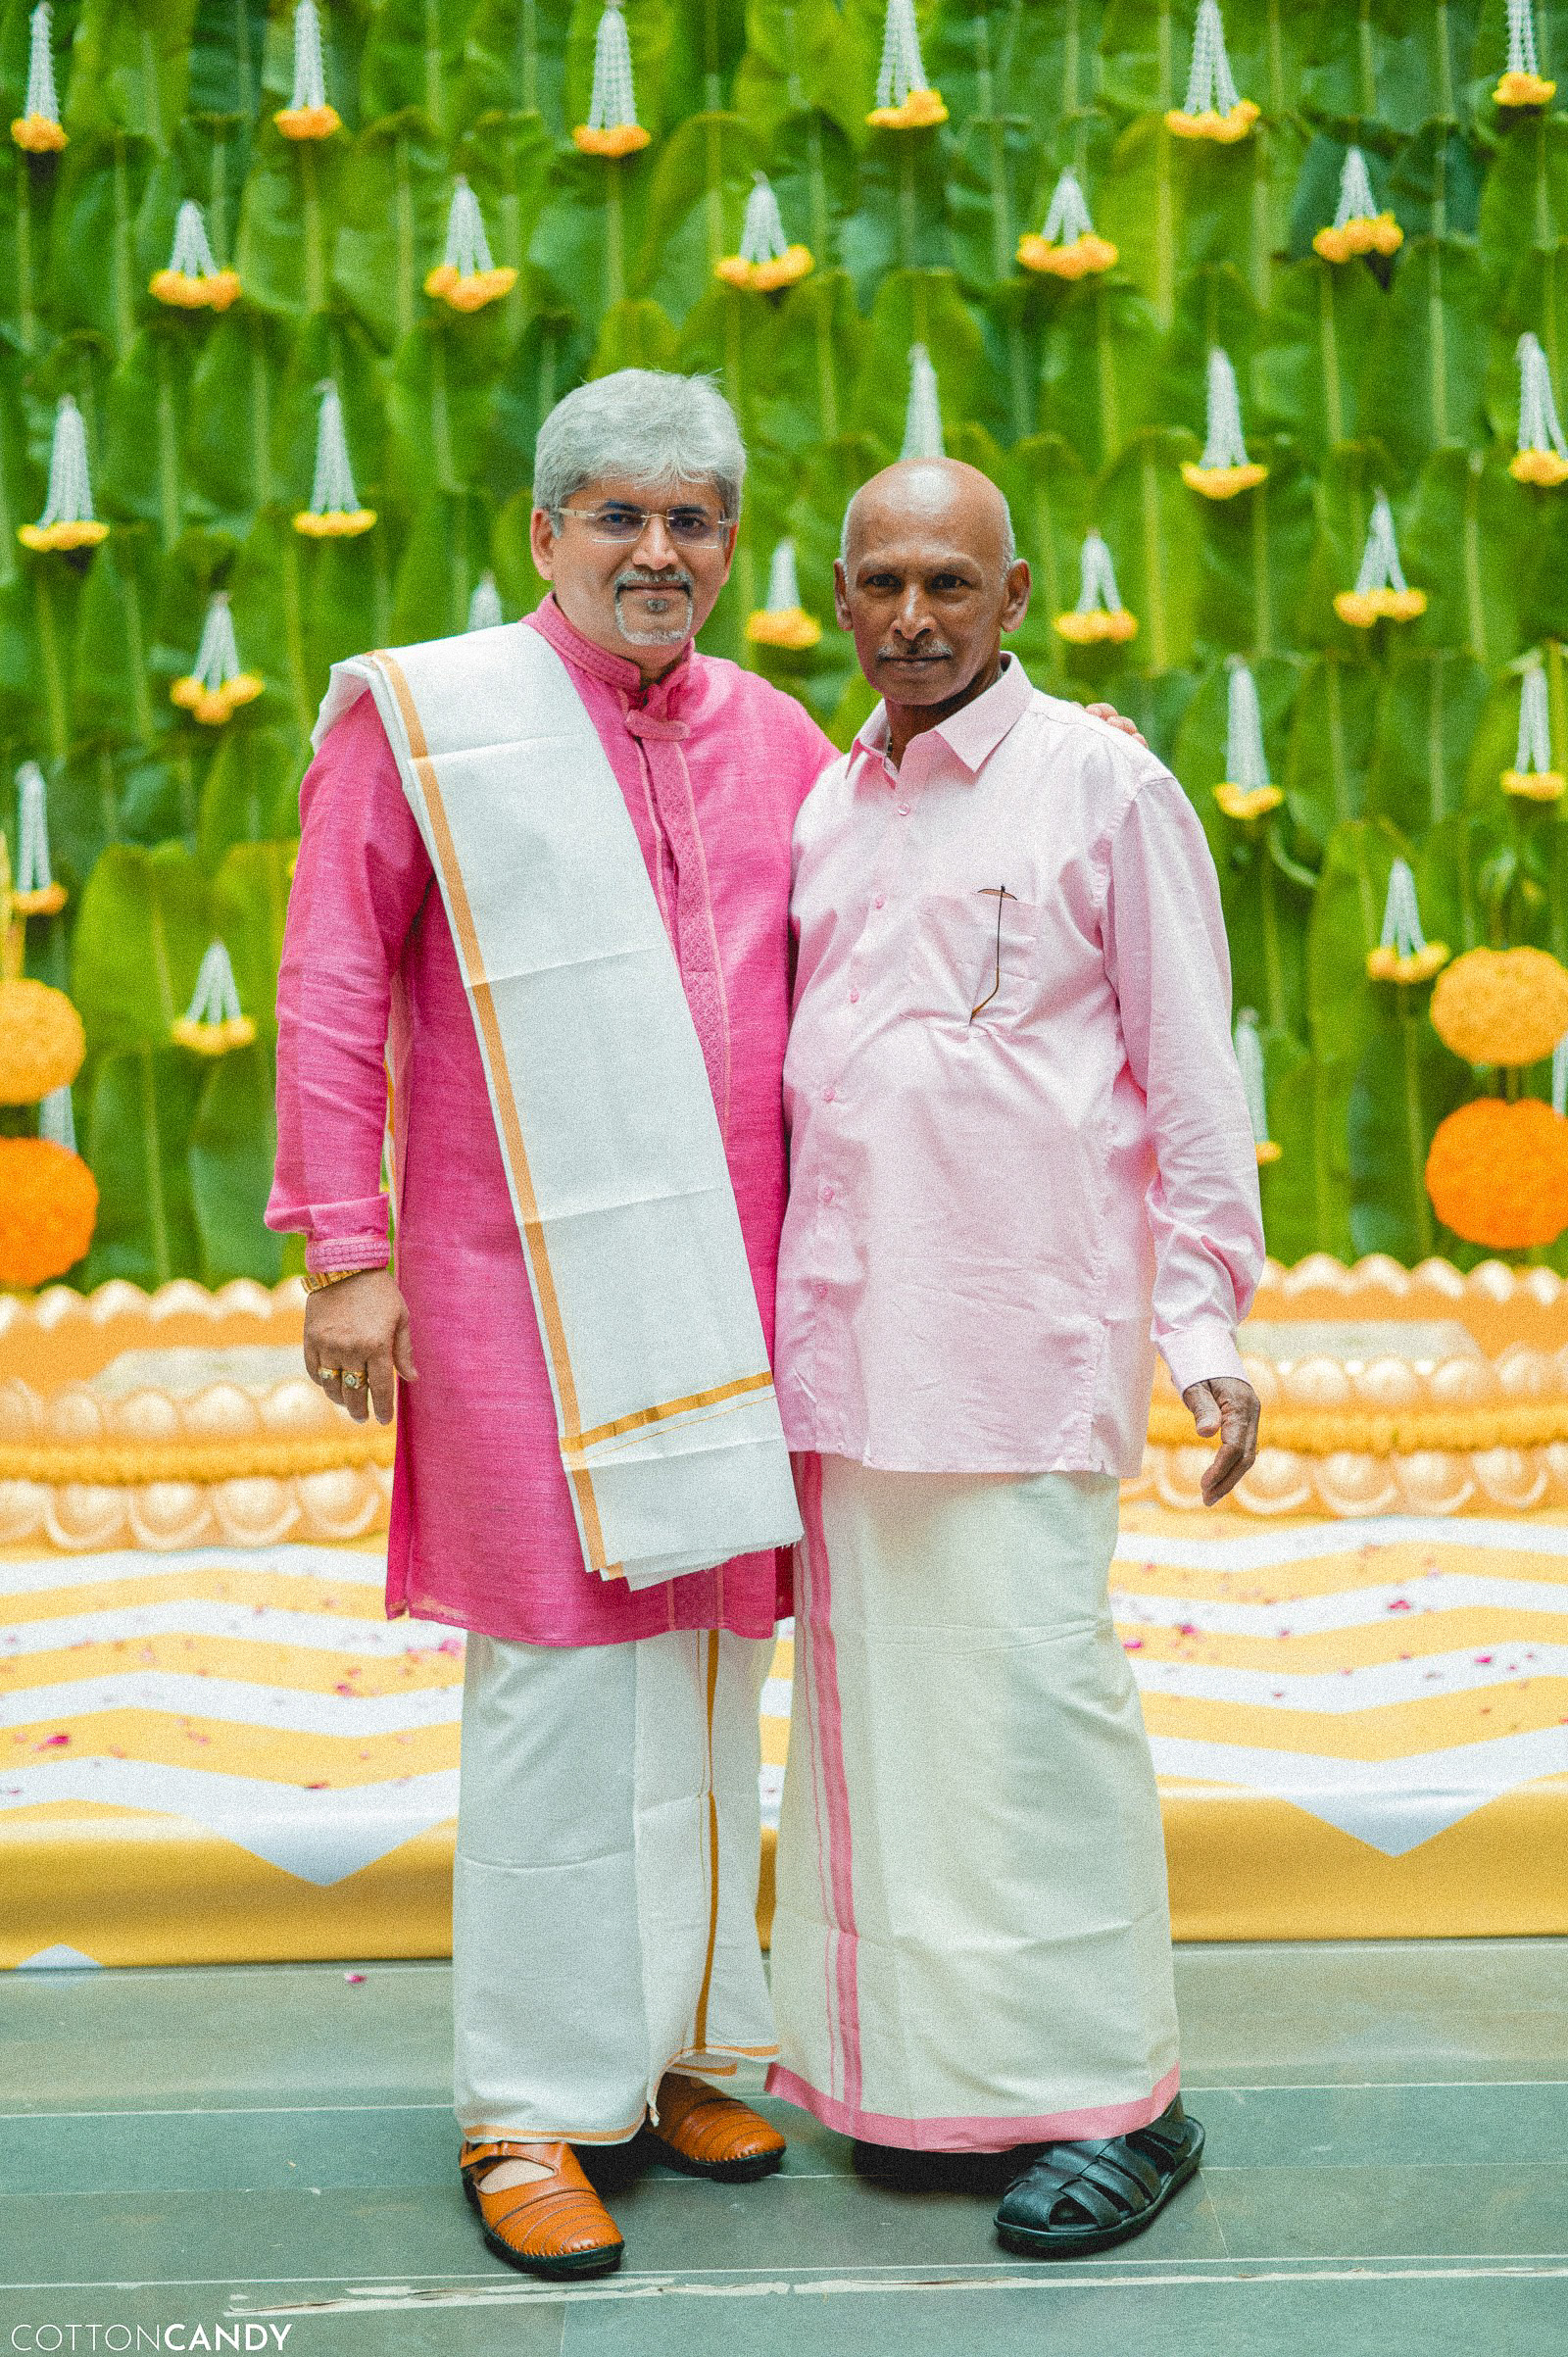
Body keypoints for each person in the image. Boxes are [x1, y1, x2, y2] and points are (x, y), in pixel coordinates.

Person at [267, 370, 839, 2281]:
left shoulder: (775, 735)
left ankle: (674, 2052)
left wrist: (1052, 755)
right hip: (508, 1284)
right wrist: (343, 1250)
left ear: (728, 545)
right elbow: (331, 978)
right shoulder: (434, 720)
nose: (657, 552)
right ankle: (525, 2104)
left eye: (692, 521)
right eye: (618, 516)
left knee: (707, 1670)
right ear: (545, 532)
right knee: (554, 1683)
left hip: (731, 1287)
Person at [765, 457, 1265, 2259]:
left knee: (1039, 1715)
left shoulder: (1104, 783)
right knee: (889, 1729)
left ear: (1016, 596)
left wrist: (1205, 1322)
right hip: (845, 1353)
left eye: (949, 584)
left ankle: (1123, 2101)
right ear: (840, 595)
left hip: (1021, 1335)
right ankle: (936, 2080)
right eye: (882, 582)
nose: (914, 617)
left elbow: (1193, 1077)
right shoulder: (827, 803)